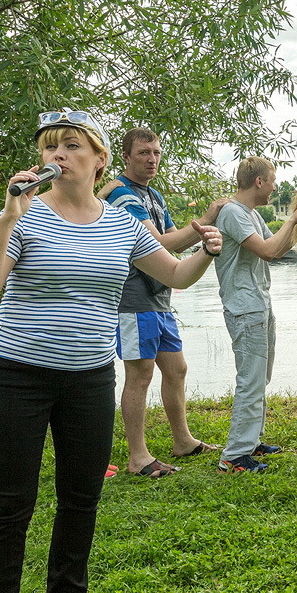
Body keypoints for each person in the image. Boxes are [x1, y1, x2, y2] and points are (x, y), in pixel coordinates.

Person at [0, 109, 223, 593]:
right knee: (9, 503)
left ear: (99, 159)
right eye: (50, 146)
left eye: (72, 145)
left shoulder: (123, 223)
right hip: (16, 375)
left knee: (81, 494)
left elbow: (175, 275)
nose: (59, 154)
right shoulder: (24, 217)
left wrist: (209, 248)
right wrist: (7, 217)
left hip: (87, 378)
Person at [105, 127, 226, 478]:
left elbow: (176, 241)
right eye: (143, 152)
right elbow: (159, 243)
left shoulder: (153, 195)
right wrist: (207, 218)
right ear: (125, 156)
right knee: (140, 375)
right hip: (132, 300)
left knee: (176, 369)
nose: (152, 159)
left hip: (159, 299)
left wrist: (203, 236)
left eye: (156, 152)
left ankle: (183, 441)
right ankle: (138, 457)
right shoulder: (124, 196)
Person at [213, 156, 297, 474]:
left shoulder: (249, 213)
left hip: (259, 303)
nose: (276, 187)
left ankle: (251, 442)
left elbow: (279, 248)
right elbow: (266, 251)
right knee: (250, 380)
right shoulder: (233, 213)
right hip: (244, 306)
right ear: (259, 182)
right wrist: (293, 218)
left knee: (260, 376)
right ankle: (234, 456)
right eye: (274, 181)